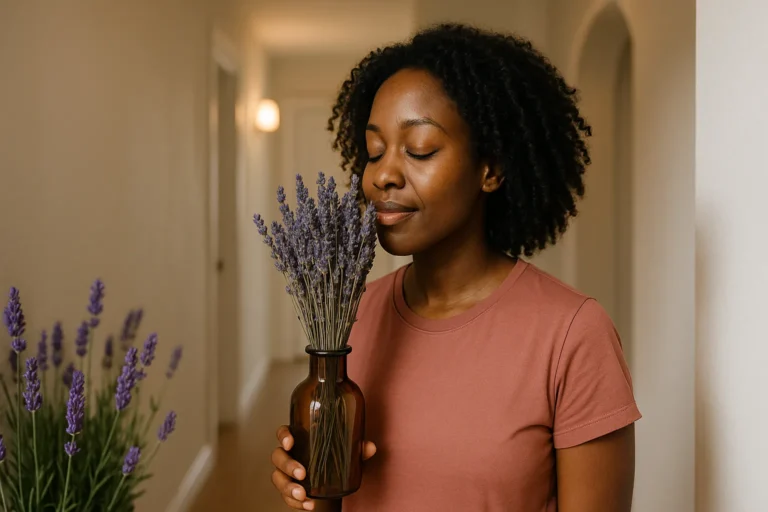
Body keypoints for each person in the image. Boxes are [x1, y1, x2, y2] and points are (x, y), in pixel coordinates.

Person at [271, 22, 641, 512]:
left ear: (490, 170)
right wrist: (310, 493)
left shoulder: (572, 335)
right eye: (375, 150)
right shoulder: (353, 315)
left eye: (419, 149)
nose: (383, 174)